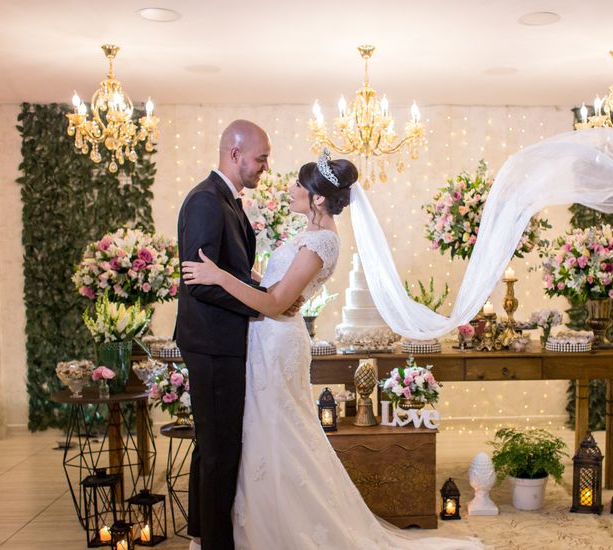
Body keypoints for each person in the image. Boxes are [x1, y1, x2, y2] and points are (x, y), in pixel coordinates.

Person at [182, 151, 483, 549]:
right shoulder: (309, 236)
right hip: (266, 340)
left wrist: (219, 276)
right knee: (262, 433)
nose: (290, 189)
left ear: (319, 198)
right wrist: (251, 278)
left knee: (280, 431)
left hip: (276, 341)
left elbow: (274, 303)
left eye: (299, 186)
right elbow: (275, 285)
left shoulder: (322, 241)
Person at [175, 119, 302, 550]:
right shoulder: (206, 202)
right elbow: (202, 280)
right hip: (212, 344)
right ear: (234, 154)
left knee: (215, 444)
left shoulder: (227, 201)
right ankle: (215, 543)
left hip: (223, 341)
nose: (266, 166)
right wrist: (263, 303)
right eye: (261, 158)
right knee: (220, 449)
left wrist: (264, 289)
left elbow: (226, 270)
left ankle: (199, 536)